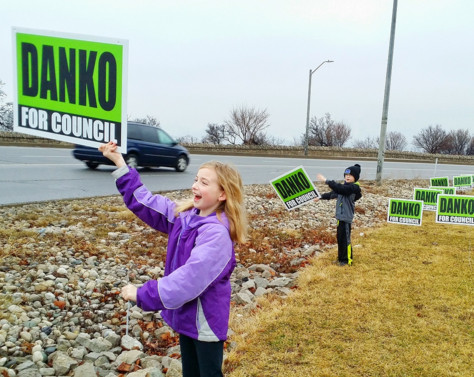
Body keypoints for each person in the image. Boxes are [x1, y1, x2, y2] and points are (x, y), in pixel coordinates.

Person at [99, 141, 248, 377]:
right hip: (187, 317)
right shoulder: (186, 216)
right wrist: (119, 162)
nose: (194, 186)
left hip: (205, 322)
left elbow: (190, 278)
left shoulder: (216, 233)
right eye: (196, 179)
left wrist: (142, 294)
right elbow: (145, 202)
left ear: (222, 194)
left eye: (204, 182)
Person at [314, 164, 362, 266]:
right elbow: (333, 193)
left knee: (346, 241)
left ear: (355, 177)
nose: (347, 177)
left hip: (346, 218)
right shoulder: (345, 187)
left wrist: (326, 180)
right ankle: (341, 259)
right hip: (340, 218)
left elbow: (340, 189)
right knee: (340, 240)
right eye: (346, 175)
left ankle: (347, 260)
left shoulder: (353, 188)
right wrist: (320, 197)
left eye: (350, 175)